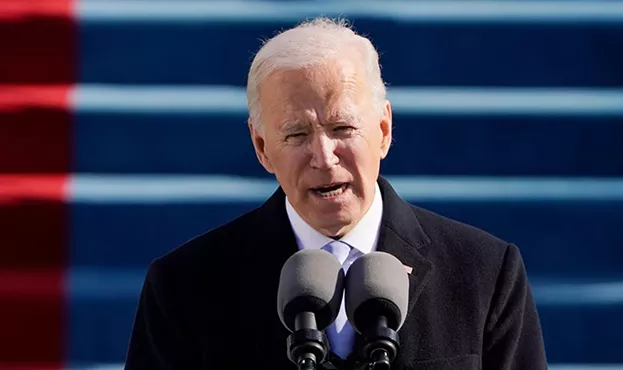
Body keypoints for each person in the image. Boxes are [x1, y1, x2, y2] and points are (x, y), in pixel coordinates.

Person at [124, 17, 547, 370]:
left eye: (343, 128)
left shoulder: (485, 273)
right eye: (296, 134)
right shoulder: (183, 288)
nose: (324, 157)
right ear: (261, 147)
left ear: (383, 130)